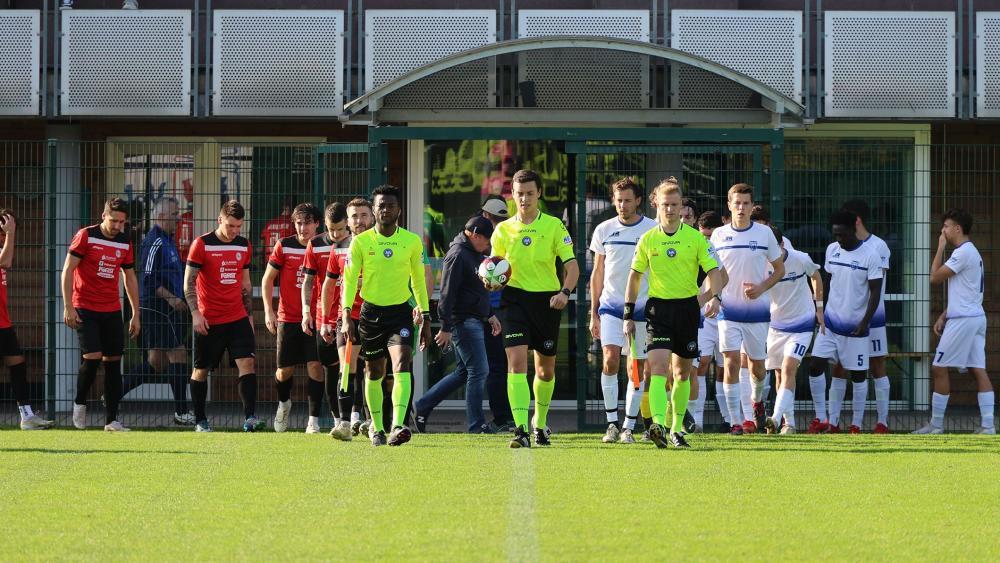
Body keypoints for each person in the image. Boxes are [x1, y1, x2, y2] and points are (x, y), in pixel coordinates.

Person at [625, 178, 723, 448]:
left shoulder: (695, 239)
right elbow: (634, 278)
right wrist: (627, 314)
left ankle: (676, 429)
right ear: (657, 205)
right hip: (658, 311)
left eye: (675, 205)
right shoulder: (647, 239)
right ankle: (658, 423)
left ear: (681, 207)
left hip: (687, 311)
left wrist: (713, 297)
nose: (670, 209)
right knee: (656, 370)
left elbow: (715, 272)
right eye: (665, 204)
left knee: (682, 374)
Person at [490, 169, 580, 448]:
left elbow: (573, 267)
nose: (525, 199)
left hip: (547, 301)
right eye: (519, 194)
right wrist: (490, 282)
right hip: (514, 300)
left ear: (539, 193)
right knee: (516, 364)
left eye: (530, 193)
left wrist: (565, 292)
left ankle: (539, 423)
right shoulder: (502, 230)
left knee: (545, 371)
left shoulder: (554, 226)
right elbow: (494, 268)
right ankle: (520, 430)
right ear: (512, 196)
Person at [341, 185, 431, 447]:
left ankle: (398, 425)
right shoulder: (361, 242)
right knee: (373, 371)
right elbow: (348, 281)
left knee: (402, 364)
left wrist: (425, 314)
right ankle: (377, 428)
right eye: (381, 205)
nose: (385, 209)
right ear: (374, 210)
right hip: (370, 314)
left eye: (390, 205)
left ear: (398, 210)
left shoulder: (411, 241)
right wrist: (346, 315)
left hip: (400, 313)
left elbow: (418, 281)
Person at [414, 216, 501, 433]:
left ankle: (422, 406)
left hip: (474, 319)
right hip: (463, 321)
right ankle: (476, 425)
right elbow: (447, 293)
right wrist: (445, 327)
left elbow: (477, 289)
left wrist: (489, 314)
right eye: (486, 240)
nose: (488, 245)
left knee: (464, 372)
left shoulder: (474, 253)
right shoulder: (458, 254)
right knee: (479, 371)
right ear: (475, 235)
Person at [709, 184, 784, 435]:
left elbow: (779, 270)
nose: (741, 208)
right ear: (729, 206)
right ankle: (735, 422)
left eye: (745, 203)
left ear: (752, 207)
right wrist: (714, 297)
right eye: (736, 203)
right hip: (727, 311)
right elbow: (713, 272)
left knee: (757, 368)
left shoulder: (764, 234)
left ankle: (757, 400)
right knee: (730, 362)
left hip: (758, 312)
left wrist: (762, 287)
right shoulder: (718, 235)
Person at [62, 198, 141, 432]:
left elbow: (130, 277)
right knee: (93, 356)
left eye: (122, 222)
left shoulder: (125, 241)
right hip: (85, 306)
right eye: (114, 220)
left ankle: (111, 420)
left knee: (113, 362)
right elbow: (68, 270)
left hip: (111, 309)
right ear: (103, 215)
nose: (117, 225)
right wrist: (68, 306)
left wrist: (135, 313)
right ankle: (79, 402)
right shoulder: (86, 236)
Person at [589, 177, 656, 444]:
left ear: (638, 201)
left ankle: (629, 426)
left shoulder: (652, 230)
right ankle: (612, 424)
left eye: (628, 200)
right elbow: (597, 273)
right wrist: (593, 312)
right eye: (618, 200)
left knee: (635, 369)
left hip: (641, 310)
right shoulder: (603, 229)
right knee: (609, 360)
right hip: (610, 308)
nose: (622, 205)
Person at [915, 209, 994, 434]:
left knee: (939, 367)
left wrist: (940, 247)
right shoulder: (971, 252)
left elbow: (934, 277)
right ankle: (988, 426)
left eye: (946, 227)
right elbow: (966, 290)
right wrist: (944, 314)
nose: (943, 231)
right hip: (975, 317)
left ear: (957, 229)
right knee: (978, 369)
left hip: (964, 321)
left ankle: (936, 425)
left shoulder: (962, 253)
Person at [184, 200, 259, 433]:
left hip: (237, 316)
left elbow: (246, 283)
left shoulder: (244, 245)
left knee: (247, 362)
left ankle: (250, 419)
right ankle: (200, 421)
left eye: (238, 226)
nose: (234, 231)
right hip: (209, 320)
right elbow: (188, 282)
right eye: (230, 226)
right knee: (201, 370)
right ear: (219, 220)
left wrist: (249, 315)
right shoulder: (202, 244)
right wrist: (196, 313)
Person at [807, 210, 882, 434]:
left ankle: (856, 424)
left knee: (858, 376)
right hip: (829, 325)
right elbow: (828, 282)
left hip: (856, 329)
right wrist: (820, 309)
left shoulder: (871, 255)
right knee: (814, 366)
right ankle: (823, 419)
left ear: (853, 230)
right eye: (835, 235)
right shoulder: (832, 250)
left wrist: (865, 321)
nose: (838, 239)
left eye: (842, 234)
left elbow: (876, 292)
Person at [120, 196, 193, 425]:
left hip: (168, 309)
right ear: (161, 217)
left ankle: (112, 394)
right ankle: (182, 412)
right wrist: (172, 299)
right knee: (179, 354)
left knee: (157, 362)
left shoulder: (168, 240)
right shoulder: (154, 242)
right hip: (158, 309)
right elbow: (148, 279)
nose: (178, 217)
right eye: (174, 214)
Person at [262, 203, 325, 434]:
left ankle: (313, 421)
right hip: (287, 318)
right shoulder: (284, 245)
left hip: (316, 318)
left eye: (307, 222)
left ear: (317, 223)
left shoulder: (323, 245)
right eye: (299, 222)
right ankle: (284, 403)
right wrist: (269, 311)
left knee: (316, 367)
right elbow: (268, 280)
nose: (302, 227)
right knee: (283, 371)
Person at [321, 198, 374, 440]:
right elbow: (328, 285)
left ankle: (373, 421)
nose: (359, 220)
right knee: (346, 366)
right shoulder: (339, 247)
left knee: (374, 370)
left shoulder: (382, 244)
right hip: (348, 317)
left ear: (372, 217)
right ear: (348, 220)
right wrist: (324, 319)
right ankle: (344, 423)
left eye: (363, 215)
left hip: (377, 315)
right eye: (354, 216)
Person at [763, 225, 822, 434]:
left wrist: (819, 309)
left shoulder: (800, 258)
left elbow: (816, 276)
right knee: (780, 374)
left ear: (781, 244)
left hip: (802, 325)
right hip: (776, 326)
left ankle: (776, 418)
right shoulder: (761, 263)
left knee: (789, 368)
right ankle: (789, 423)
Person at [841, 200, 892, 433]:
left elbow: (874, 286)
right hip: (846, 320)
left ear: (856, 221)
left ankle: (882, 422)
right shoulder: (840, 246)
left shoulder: (879, 246)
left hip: (874, 319)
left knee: (877, 364)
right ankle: (850, 423)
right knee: (842, 366)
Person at [0, 210, 54, 430]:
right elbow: (5, 261)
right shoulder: (4, 247)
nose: (6, 236)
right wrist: (10, 234)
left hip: (3, 322)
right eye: (3, 232)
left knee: (18, 365)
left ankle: (27, 416)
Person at [301, 202, 350, 435]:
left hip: (353, 314)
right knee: (331, 369)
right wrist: (306, 312)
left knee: (354, 368)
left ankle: (358, 417)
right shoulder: (316, 244)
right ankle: (337, 419)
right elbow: (308, 282)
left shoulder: (357, 243)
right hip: (325, 317)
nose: (336, 234)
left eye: (340, 229)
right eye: (331, 230)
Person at [696, 210, 727, 432]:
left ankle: (729, 419)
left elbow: (724, 277)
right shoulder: (696, 247)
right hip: (704, 316)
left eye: (711, 235)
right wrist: (703, 299)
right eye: (703, 235)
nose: (707, 239)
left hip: (730, 315)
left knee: (727, 367)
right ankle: (696, 421)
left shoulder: (727, 246)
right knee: (701, 363)